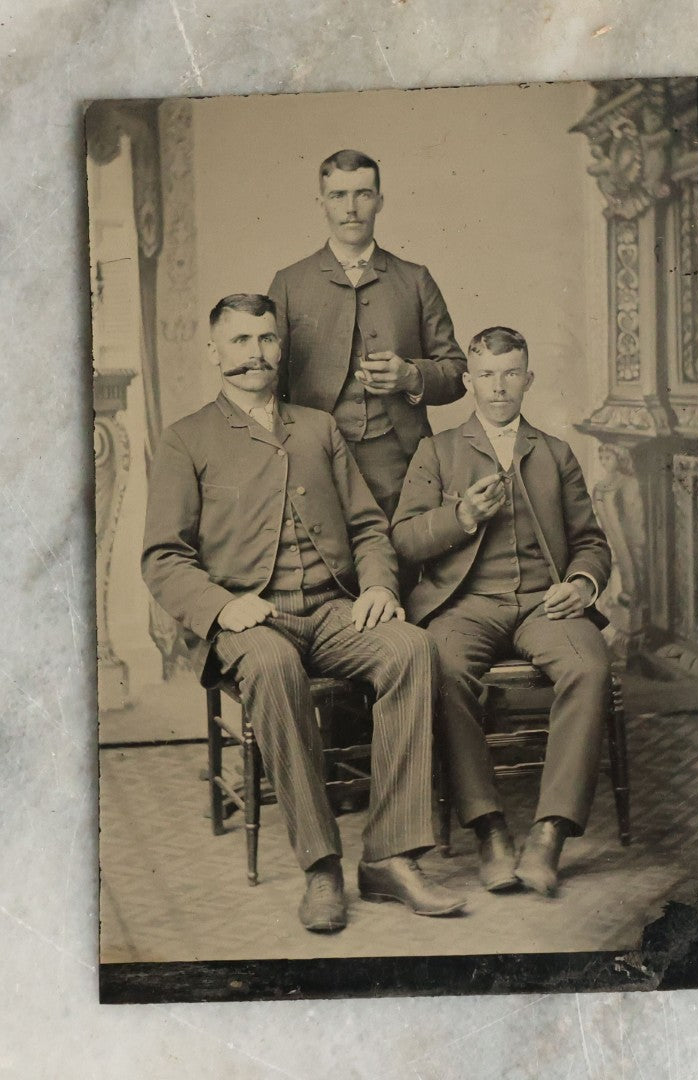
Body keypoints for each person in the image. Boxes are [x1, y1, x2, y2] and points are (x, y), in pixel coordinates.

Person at [142, 293, 466, 933]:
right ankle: (321, 867)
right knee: (272, 666)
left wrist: (378, 587)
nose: (253, 355)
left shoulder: (317, 427)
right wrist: (220, 606)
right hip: (250, 620)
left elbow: (371, 526)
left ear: (280, 347)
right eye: (239, 342)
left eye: (264, 340)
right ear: (214, 352)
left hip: (332, 609)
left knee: (411, 649)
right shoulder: (186, 439)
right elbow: (162, 557)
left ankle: (391, 856)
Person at [391, 327, 612, 897]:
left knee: (589, 668)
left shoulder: (555, 453)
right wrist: (461, 515)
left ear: (528, 379)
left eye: (511, 373)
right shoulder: (436, 451)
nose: (498, 387)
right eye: (486, 375)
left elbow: (591, 541)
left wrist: (584, 584)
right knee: (440, 668)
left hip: (546, 604)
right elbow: (406, 540)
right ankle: (489, 828)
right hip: (466, 605)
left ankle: (549, 833)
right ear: (467, 381)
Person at [268, 149, 467, 521]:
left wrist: (411, 375)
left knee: (401, 563)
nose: (351, 208)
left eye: (362, 194)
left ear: (379, 201)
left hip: (400, 460)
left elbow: (457, 373)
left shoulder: (415, 279)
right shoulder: (290, 283)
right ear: (321, 203)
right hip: (315, 457)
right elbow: (269, 382)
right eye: (338, 196)